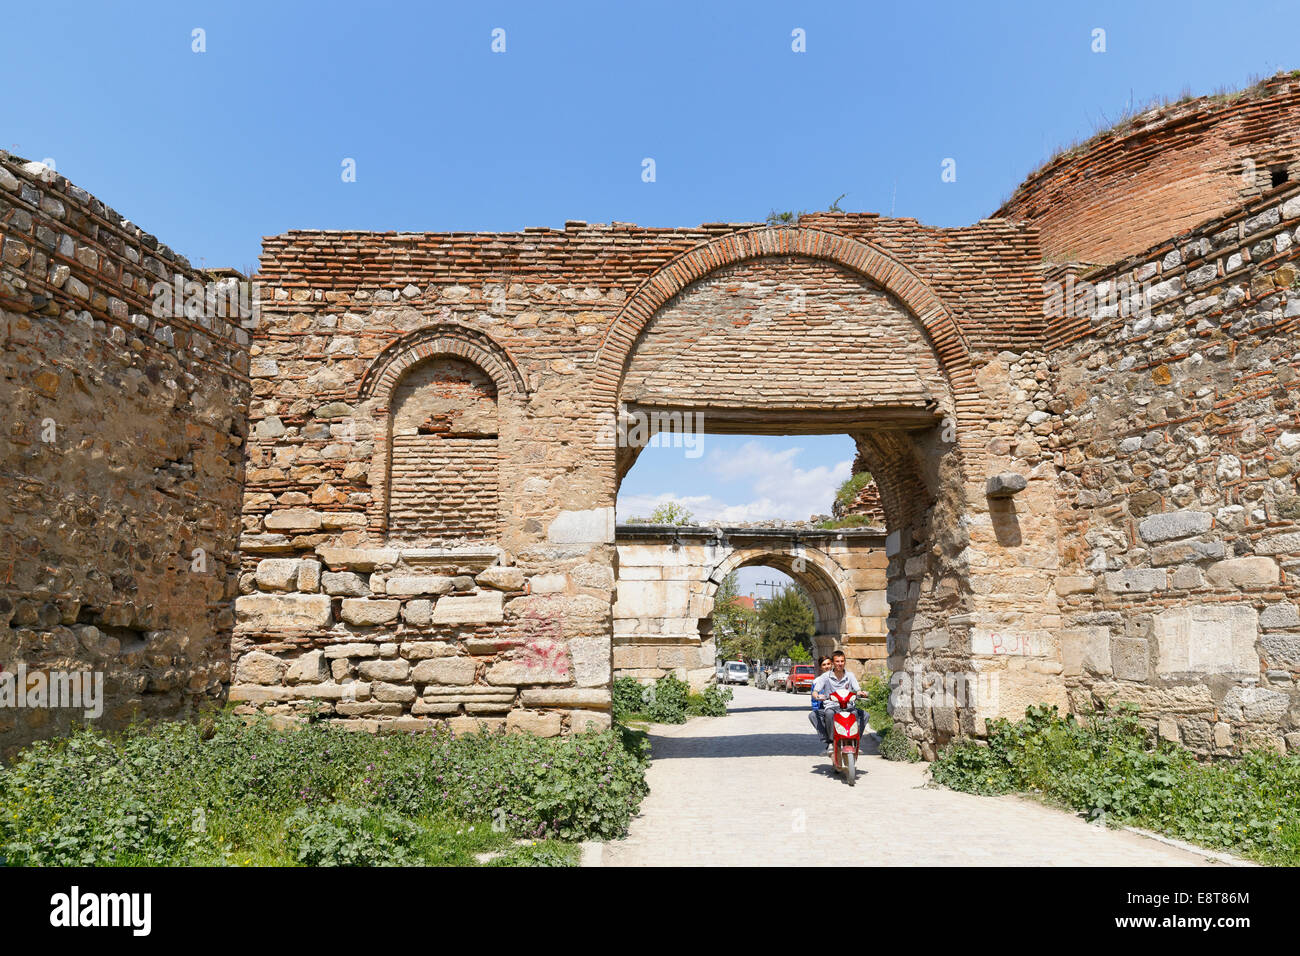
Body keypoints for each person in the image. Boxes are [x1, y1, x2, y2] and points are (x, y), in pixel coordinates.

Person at [812, 650, 867, 754]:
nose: (840, 664)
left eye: (842, 661)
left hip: (848, 705)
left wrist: (861, 693)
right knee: (828, 714)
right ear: (833, 663)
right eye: (837, 661)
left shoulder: (850, 676)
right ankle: (830, 742)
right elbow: (815, 691)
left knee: (862, 715)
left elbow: (857, 689)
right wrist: (817, 696)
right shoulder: (825, 676)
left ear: (845, 662)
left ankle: (855, 741)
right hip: (832, 706)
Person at [807, 656, 833, 746]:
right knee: (813, 715)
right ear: (821, 667)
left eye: (828, 664)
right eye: (824, 665)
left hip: (838, 706)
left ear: (832, 664)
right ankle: (826, 739)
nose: (827, 666)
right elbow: (814, 700)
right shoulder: (817, 681)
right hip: (823, 707)